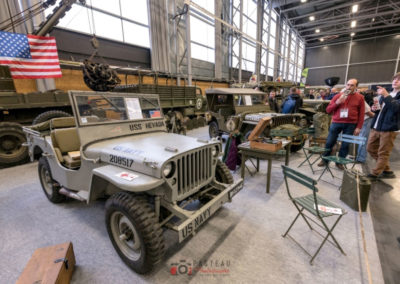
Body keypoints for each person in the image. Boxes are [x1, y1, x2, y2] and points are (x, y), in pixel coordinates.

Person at [318, 79, 365, 170]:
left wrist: (359, 127)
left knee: (345, 144)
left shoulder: (360, 98)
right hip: (336, 122)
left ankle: (339, 162)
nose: (349, 87)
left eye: (352, 85)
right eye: (348, 85)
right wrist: (337, 102)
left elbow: (361, 113)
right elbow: (328, 110)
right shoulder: (337, 96)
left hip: (351, 124)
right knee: (329, 142)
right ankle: (325, 160)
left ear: (356, 87)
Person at [366, 72, 400, 180]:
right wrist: (374, 108)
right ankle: (387, 170)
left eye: (399, 79)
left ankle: (375, 173)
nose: (395, 81)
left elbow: (396, 109)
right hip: (376, 126)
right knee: (370, 148)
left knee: (383, 152)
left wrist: (386, 95)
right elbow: (379, 110)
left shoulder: (389, 95)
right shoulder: (388, 93)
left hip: (389, 129)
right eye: (395, 79)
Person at [356, 92, 375, 163]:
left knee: (363, 139)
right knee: (360, 139)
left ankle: (361, 158)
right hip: (363, 120)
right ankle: (359, 156)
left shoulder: (360, 100)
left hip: (366, 120)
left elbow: (368, 112)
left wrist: (377, 117)